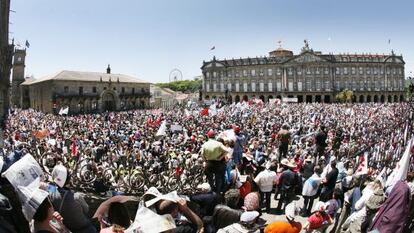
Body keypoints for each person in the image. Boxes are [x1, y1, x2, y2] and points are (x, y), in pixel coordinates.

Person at [48, 164, 97, 233]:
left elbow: (48, 186)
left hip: (69, 228)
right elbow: (86, 210)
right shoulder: (76, 197)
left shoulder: (51, 192)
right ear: (68, 179)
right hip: (85, 229)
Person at [201, 129, 228, 194]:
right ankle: (218, 193)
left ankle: (211, 191)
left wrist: (205, 160)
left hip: (209, 163)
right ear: (214, 136)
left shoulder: (205, 144)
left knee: (210, 179)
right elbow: (226, 150)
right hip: (217, 163)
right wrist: (220, 157)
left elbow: (202, 154)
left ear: (208, 136)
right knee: (217, 179)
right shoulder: (218, 144)